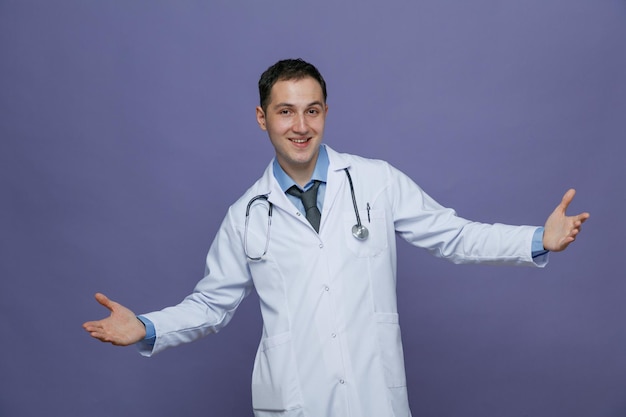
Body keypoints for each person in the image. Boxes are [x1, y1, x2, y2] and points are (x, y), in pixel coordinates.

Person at [83, 58, 590, 417]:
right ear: (263, 118)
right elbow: (211, 306)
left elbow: (452, 236)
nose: (301, 125)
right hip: (295, 400)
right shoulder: (245, 215)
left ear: (326, 112)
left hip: (375, 398)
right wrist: (147, 328)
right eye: (285, 111)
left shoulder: (375, 180)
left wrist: (535, 240)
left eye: (313, 110)